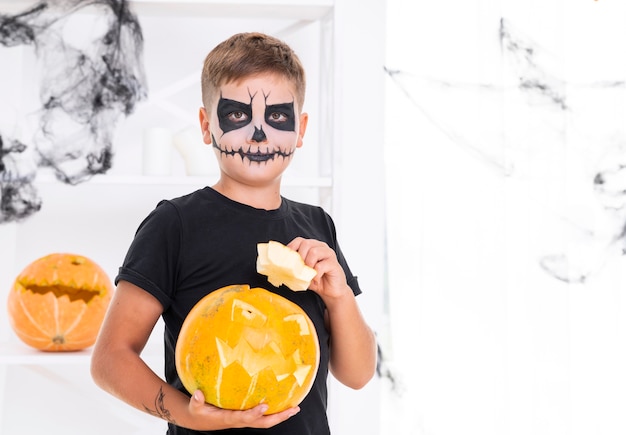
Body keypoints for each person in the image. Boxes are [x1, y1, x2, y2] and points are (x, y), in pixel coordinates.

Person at [90, 32, 377, 434]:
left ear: (301, 129)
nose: (259, 135)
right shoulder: (175, 224)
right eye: (238, 116)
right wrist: (187, 414)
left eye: (277, 116)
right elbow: (110, 359)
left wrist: (340, 296)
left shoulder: (317, 226)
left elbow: (358, 374)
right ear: (207, 126)